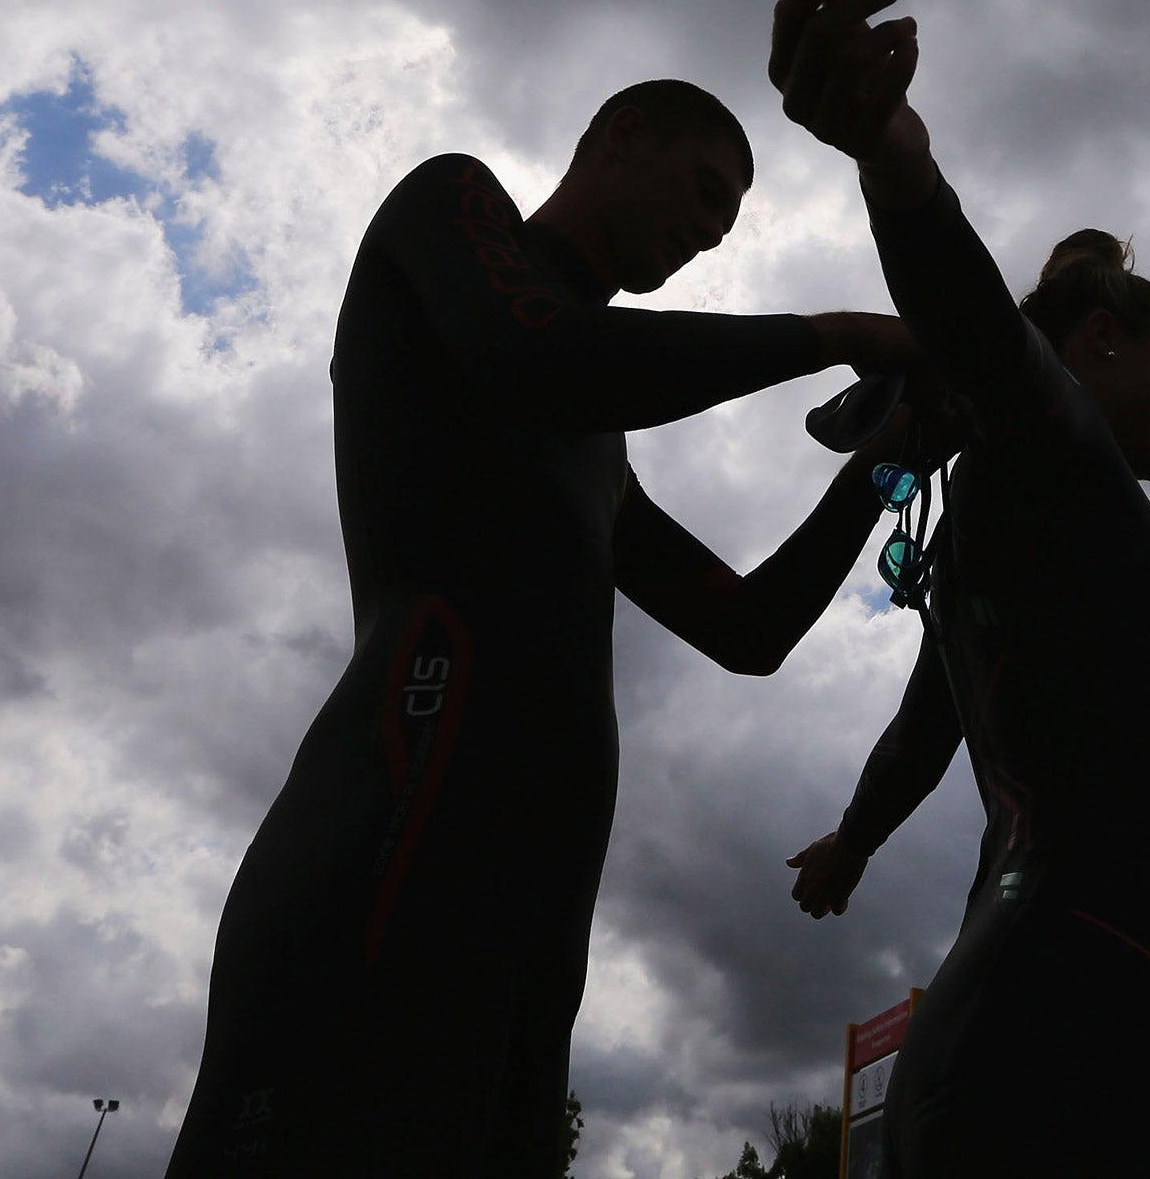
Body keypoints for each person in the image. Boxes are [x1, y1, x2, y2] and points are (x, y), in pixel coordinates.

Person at [164, 79, 919, 1177]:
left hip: (532, 909)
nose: (712, 232)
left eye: (729, 221)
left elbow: (748, 628)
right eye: (705, 191)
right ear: (619, 140)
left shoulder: (597, 448)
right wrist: (834, 332)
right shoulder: (449, 211)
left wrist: (888, 456)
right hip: (385, 836)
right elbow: (539, 356)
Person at [772, 0, 1150, 1177]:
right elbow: (981, 327)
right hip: (1119, 999)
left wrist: (855, 840)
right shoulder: (1060, 454)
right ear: (1099, 339)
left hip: (1000, 998)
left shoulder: (999, 519)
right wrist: (893, 154)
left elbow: (934, 718)